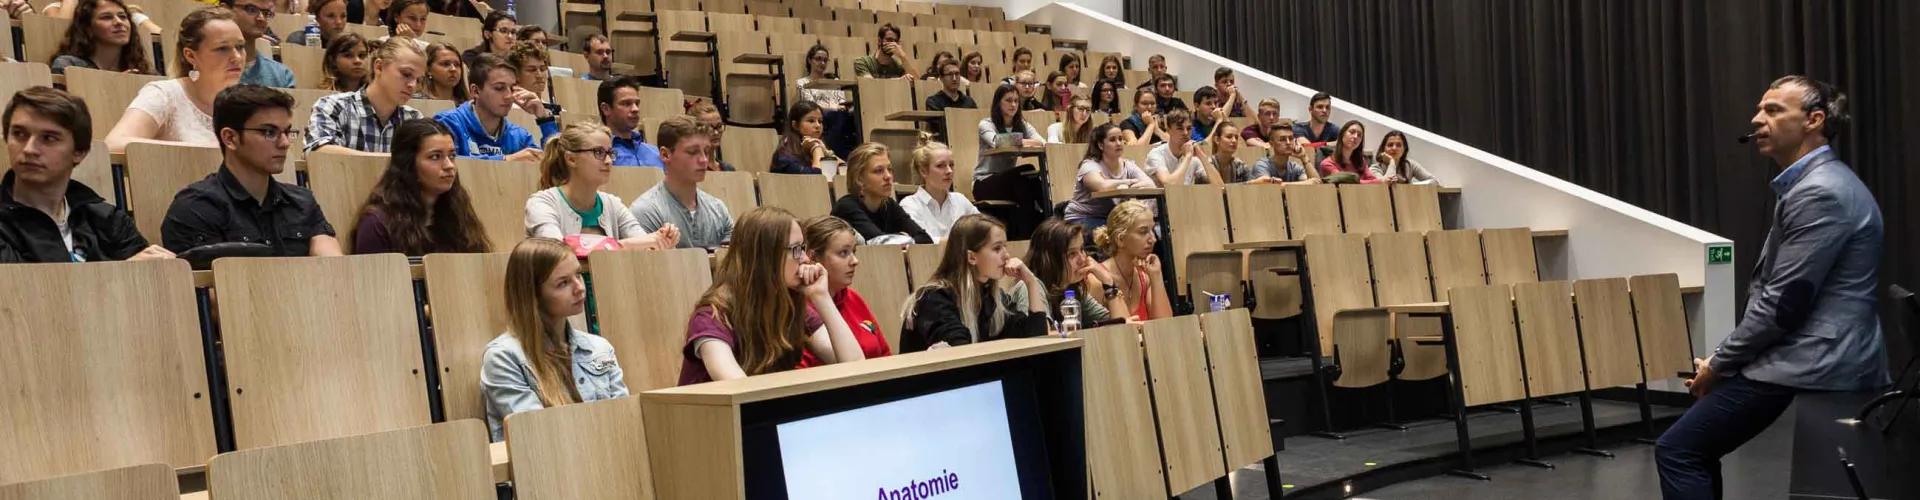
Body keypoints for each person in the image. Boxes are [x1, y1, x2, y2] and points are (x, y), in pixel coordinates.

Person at [1655, 76, 1886, 500]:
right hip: (1812, 350)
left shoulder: (1821, 193)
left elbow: (1784, 305)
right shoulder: (1811, 185)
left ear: (1814, 120)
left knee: (1680, 449)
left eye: (1775, 110)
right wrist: (1726, 363)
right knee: (1690, 447)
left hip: (1814, 357)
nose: (1758, 119)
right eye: (1761, 109)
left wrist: (1720, 363)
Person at [679, 206, 866, 384]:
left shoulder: (790, 305)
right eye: (796, 250)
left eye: (803, 248)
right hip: (713, 417)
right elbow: (738, 390)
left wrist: (821, 296)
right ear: (765, 257)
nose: (805, 259)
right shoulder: (712, 316)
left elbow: (856, 366)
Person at [162, 85, 343, 257]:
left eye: (287, 132)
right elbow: (205, 287)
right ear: (230, 138)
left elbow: (333, 270)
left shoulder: (302, 202)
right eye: (269, 132)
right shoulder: (196, 208)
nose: (285, 143)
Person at [480, 237, 628, 442]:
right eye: (563, 283)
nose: (580, 287)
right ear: (534, 295)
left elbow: (624, 422)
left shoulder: (599, 348)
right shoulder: (503, 357)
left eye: (578, 274)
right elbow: (539, 438)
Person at [0, 87, 172, 263]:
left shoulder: (106, 218)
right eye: (19, 134)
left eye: (49, 138)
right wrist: (125, 272)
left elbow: (148, 283)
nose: (29, 149)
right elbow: (22, 289)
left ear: (79, 152)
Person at [898, 214, 1049, 353]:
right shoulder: (934, 298)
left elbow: (1035, 338)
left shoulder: (992, 297)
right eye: (997, 248)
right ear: (971, 257)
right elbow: (962, 353)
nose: (1006, 255)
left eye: (1005, 247)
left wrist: (1031, 282)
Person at [104, 7, 247, 152]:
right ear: (190, 56)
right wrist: (200, 150)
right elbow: (114, 143)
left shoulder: (249, 101)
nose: (237, 57)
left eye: (240, 47)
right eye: (222, 48)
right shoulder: (163, 94)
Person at [524, 122, 677, 250]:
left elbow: (644, 244)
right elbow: (559, 253)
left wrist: (662, 239)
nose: (608, 161)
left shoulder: (612, 204)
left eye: (610, 153)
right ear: (571, 159)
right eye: (598, 152)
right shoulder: (541, 203)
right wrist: (624, 245)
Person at [351, 118, 491, 255]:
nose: (449, 165)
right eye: (435, 157)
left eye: (452, 155)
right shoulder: (377, 224)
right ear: (408, 164)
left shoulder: (458, 213)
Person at [307, 38, 426, 154]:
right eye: (406, 74)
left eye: (418, 80)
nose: (412, 85)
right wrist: (390, 161)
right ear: (379, 67)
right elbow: (318, 151)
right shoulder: (334, 106)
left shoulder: (413, 118)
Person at [630, 115, 732, 250]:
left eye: (706, 152)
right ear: (665, 155)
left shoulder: (718, 208)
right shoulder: (646, 211)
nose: (703, 160)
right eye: (692, 152)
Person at [801, 216, 894, 360]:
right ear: (813, 258)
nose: (855, 261)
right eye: (843, 253)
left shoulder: (853, 297)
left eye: (853, 252)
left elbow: (885, 355)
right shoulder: (801, 311)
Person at [436, 52, 558, 161]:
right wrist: (506, 159)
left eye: (512, 88)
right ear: (475, 91)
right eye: (499, 88)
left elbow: (553, 166)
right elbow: (445, 162)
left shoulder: (519, 135)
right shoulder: (447, 123)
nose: (509, 96)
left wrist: (544, 118)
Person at [1024, 218, 1132, 324]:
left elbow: (1124, 327)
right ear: (1049, 260)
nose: (1082, 259)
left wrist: (1108, 282)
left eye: (1081, 249)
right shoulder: (1030, 287)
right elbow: (1042, 336)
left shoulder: (1073, 290)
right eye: (1072, 254)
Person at [972, 84, 1046, 233]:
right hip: (985, 182)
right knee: (1027, 171)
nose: (1013, 104)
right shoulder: (986, 123)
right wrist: (1023, 140)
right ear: (998, 102)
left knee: (1031, 181)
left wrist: (1019, 140)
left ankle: (1039, 223)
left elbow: (1043, 142)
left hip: (1011, 183)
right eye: (1008, 100)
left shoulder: (1022, 124)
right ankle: (1043, 223)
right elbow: (996, 141)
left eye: (1016, 101)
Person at [831, 143, 931, 244]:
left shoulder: (889, 205)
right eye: (878, 171)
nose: (888, 176)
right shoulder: (847, 207)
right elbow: (881, 244)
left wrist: (900, 240)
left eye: (889, 169)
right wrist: (904, 237)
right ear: (859, 179)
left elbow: (925, 239)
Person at [1063, 123, 1152, 233]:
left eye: (1120, 139)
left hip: (1110, 219)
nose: (1119, 143)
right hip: (1082, 218)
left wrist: (1129, 184)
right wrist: (1130, 182)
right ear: (1101, 145)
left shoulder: (1128, 165)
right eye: (1112, 140)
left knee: (1144, 232)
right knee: (1121, 236)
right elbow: (1102, 186)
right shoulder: (1089, 165)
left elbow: (1150, 185)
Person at [1093, 200, 1171, 321]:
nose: (1153, 239)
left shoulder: (1145, 277)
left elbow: (1164, 325)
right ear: (1121, 240)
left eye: (1152, 230)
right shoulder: (1096, 280)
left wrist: (1156, 276)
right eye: (1143, 232)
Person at [899, 135, 977, 242]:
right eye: (941, 166)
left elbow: (983, 230)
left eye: (951, 164)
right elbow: (919, 242)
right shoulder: (910, 205)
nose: (949, 171)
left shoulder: (960, 200)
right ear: (923, 171)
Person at [50, 0, 155, 75]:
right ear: (88, 28)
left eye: (123, 17)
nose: (118, 22)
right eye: (106, 17)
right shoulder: (68, 65)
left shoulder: (144, 70)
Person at [794, 43, 856, 157]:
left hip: (837, 115)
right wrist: (836, 108)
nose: (822, 63)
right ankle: (839, 155)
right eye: (818, 59)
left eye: (825, 60)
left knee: (853, 115)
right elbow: (811, 106)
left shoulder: (833, 81)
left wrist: (842, 107)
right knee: (833, 116)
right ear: (809, 60)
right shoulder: (802, 82)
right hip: (818, 116)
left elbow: (840, 102)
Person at [220, 0, 296, 87]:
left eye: (266, 13)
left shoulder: (281, 75)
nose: (261, 18)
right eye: (251, 9)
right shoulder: (205, 68)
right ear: (225, 10)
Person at [596, 76, 663, 168]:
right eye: (626, 103)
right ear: (606, 109)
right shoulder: (597, 155)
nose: (635, 109)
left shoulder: (656, 153)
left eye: (637, 103)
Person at [1144, 108, 1220, 186]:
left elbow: (1220, 187)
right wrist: (1187, 158)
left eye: (1189, 128)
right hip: (1161, 198)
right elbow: (1170, 186)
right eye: (1180, 128)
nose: (1185, 133)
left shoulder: (1194, 157)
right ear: (1169, 130)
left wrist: (1202, 157)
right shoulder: (1156, 154)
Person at [921, 60, 975, 143]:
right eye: (950, 74)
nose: (954, 78)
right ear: (941, 78)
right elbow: (940, 130)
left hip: (969, 142)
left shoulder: (969, 102)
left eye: (957, 74)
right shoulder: (933, 102)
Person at [770, 100, 829, 175]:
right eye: (811, 121)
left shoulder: (816, 148)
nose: (818, 125)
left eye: (820, 121)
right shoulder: (784, 156)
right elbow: (815, 180)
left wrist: (827, 153)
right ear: (795, 125)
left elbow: (846, 172)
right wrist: (816, 148)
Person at [1250, 123, 1320, 185]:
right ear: (1272, 144)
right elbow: (1268, 186)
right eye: (1282, 139)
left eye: (1291, 138)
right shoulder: (1262, 165)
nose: (1288, 143)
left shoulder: (1294, 167)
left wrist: (1304, 158)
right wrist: (1306, 183)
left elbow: (1317, 184)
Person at [507, 41, 560, 117]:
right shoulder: (509, 110)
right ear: (516, 74)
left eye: (542, 69)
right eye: (531, 70)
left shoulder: (559, 111)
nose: (539, 75)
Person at [1370, 130, 1437, 185]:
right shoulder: (1375, 169)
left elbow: (1434, 181)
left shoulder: (1410, 165)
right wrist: (1392, 162)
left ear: (1404, 149)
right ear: (1383, 149)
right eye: (1390, 145)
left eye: (1398, 145)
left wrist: (1411, 186)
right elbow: (1387, 184)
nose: (1394, 148)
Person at [686, 102, 736, 172]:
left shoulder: (729, 169)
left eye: (719, 126)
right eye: (709, 128)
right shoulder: (689, 168)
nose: (716, 133)